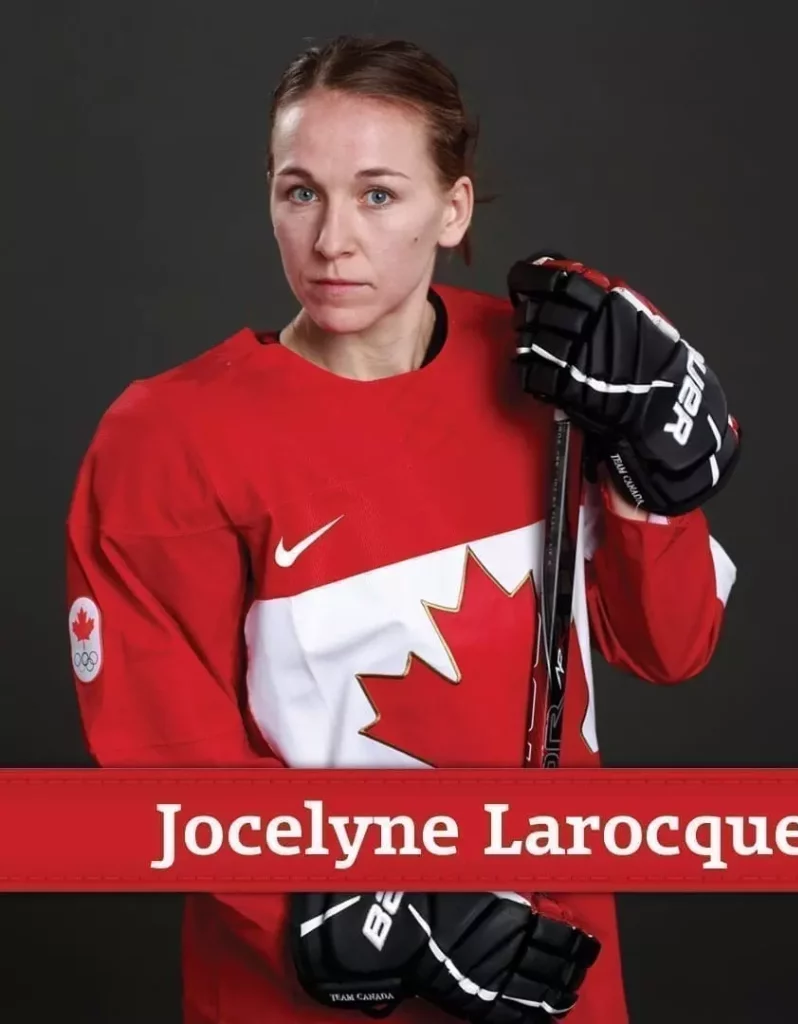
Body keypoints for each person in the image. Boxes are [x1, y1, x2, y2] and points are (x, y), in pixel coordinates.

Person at [65, 35, 740, 1024]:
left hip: (548, 961)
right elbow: (168, 766)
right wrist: (388, 913)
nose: (332, 238)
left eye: (377, 194)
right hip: (298, 989)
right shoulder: (168, 438)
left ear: (451, 207)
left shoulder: (551, 372)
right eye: (301, 192)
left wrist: (652, 476)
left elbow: (668, 648)